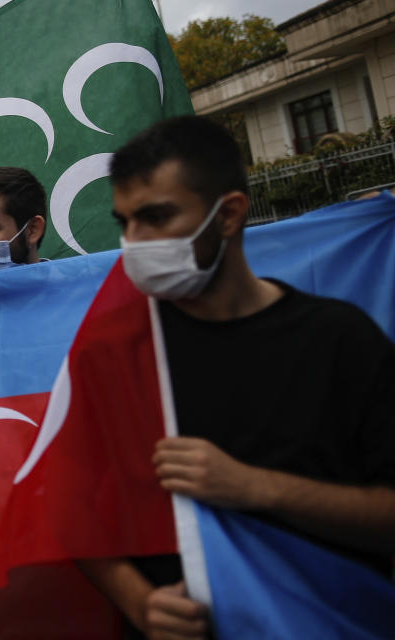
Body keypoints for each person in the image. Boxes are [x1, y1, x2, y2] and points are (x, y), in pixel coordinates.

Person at [81, 116, 395, 639]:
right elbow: (73, 506)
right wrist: (140, 601)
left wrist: (253, 487)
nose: (134, 242)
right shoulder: (112, 353)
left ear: (228, 215)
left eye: (156, 217)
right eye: (125, 221)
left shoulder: (341, 341)